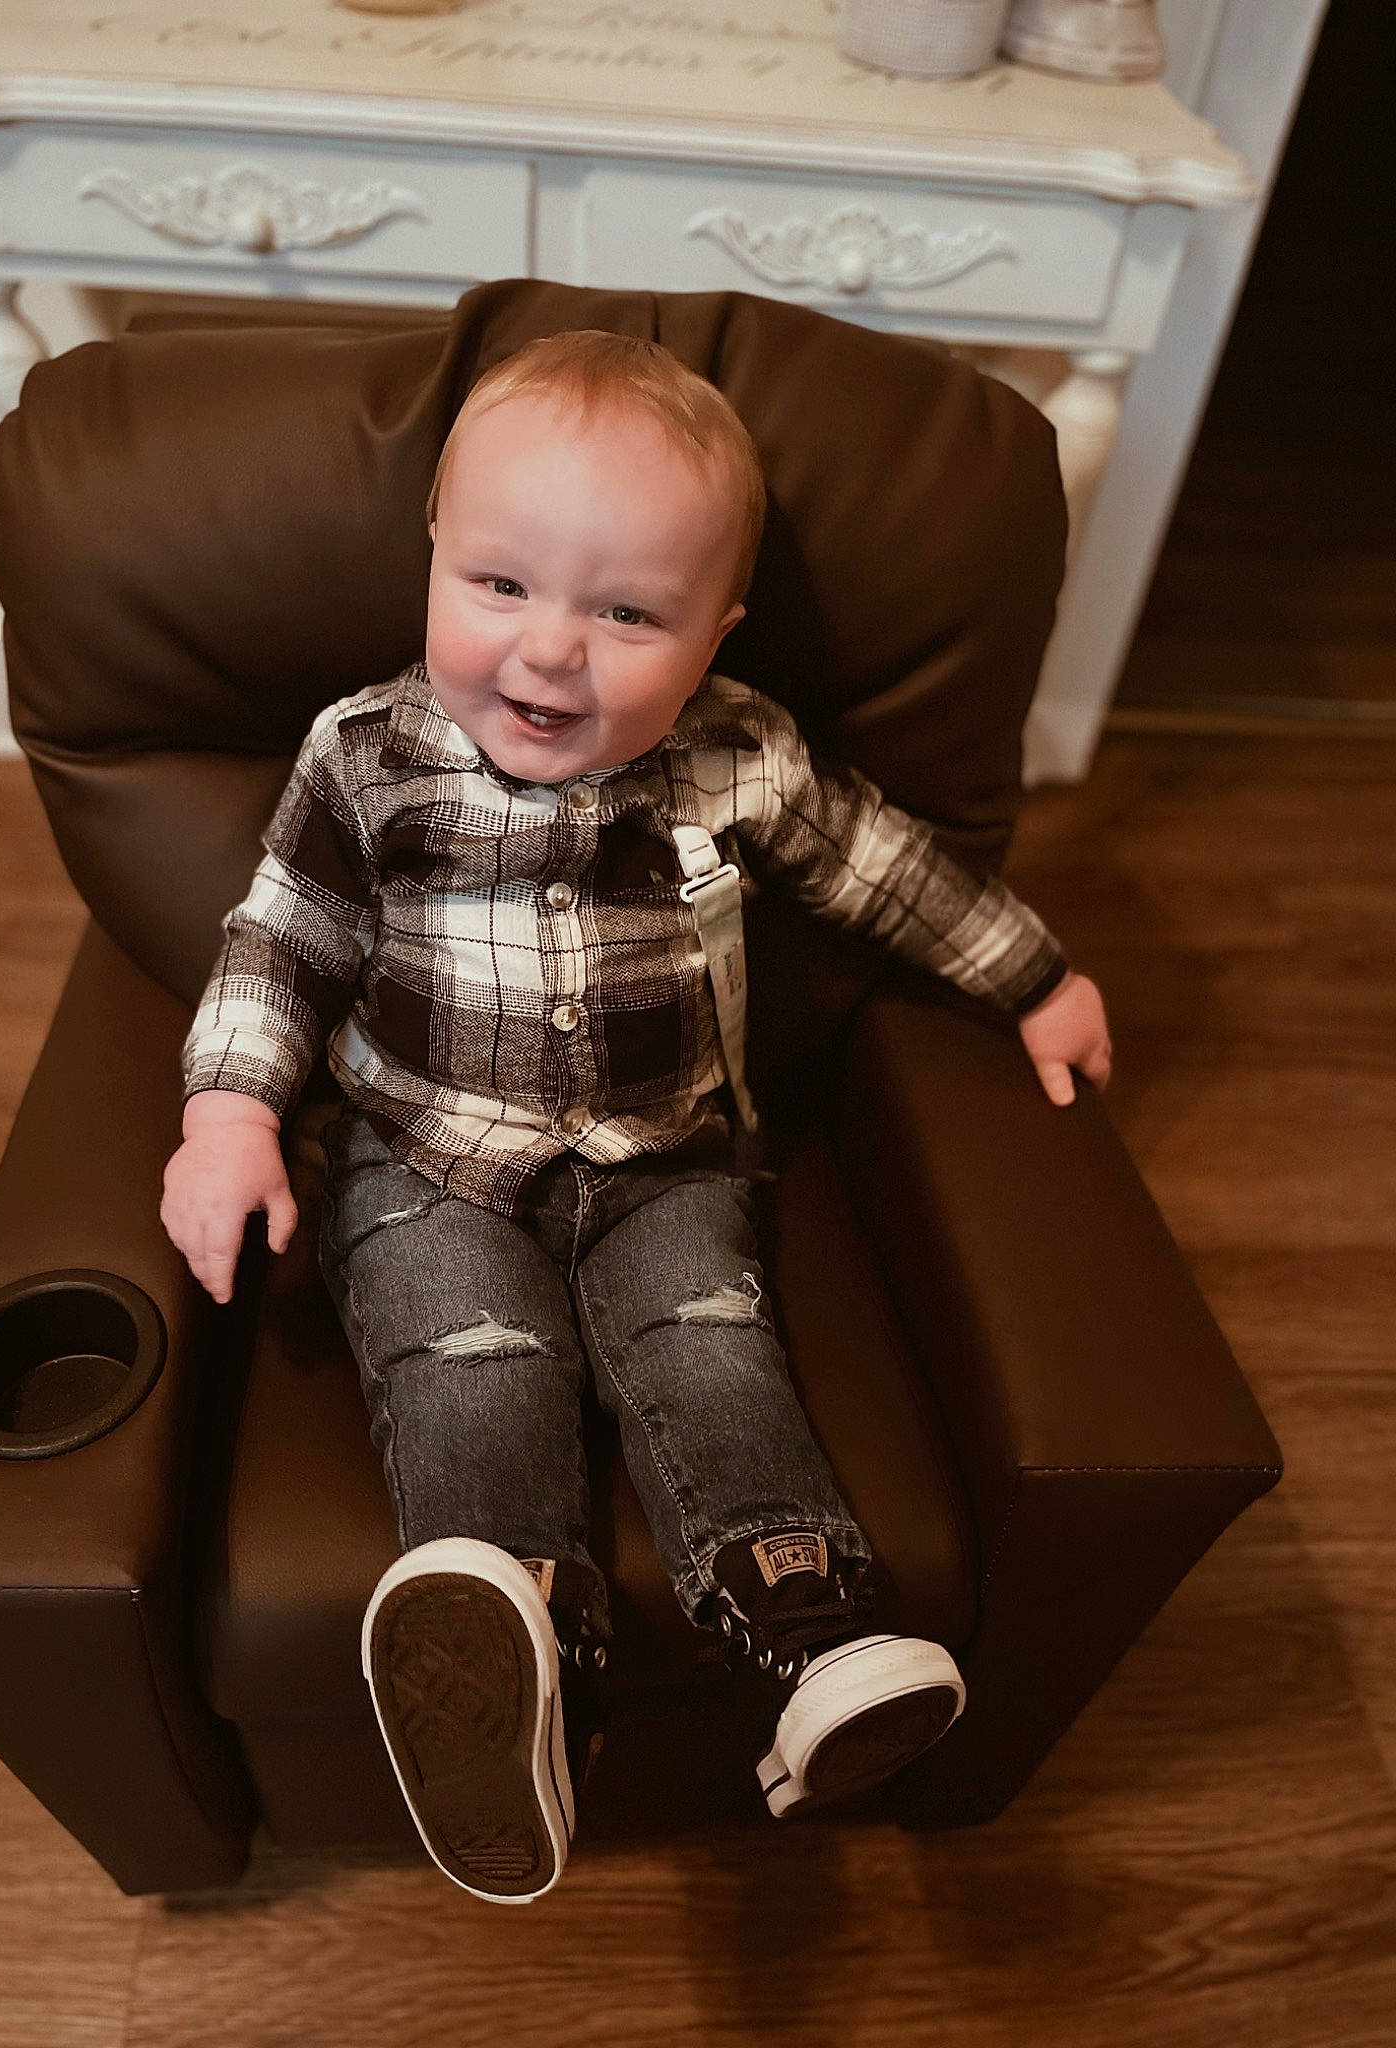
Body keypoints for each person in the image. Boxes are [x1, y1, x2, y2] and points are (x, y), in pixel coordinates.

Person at [160, 330, 1112, 1906]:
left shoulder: (742, 758)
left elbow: (882, 867)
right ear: (433, 559)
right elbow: (281, 941)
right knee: (475, 1358)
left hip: (669, 1161)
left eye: (627, 614)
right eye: (502, 587)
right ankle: (528, 1655)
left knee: (709, 1345)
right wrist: (228, 1113)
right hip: (425, 1162)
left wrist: (1031, 977)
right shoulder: (366, 757)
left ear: (717, 630)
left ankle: (815, 1631)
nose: (549, 655)